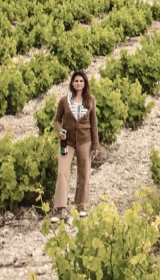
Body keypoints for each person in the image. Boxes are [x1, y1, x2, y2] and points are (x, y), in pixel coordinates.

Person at [52, 70, 100, 222]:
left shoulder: (91, 100)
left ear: (85, 83)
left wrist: (96, 145)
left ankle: (82, 206)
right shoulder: (64, 101)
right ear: (72, 83)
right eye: (76, 81)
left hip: (85, 141)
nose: (78, 83)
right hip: (68, 142)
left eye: (81, 81)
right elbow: (57, 120)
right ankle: (60, 208)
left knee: (84, 173)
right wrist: (60, 132)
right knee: (62, 172)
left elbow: (93, 124)